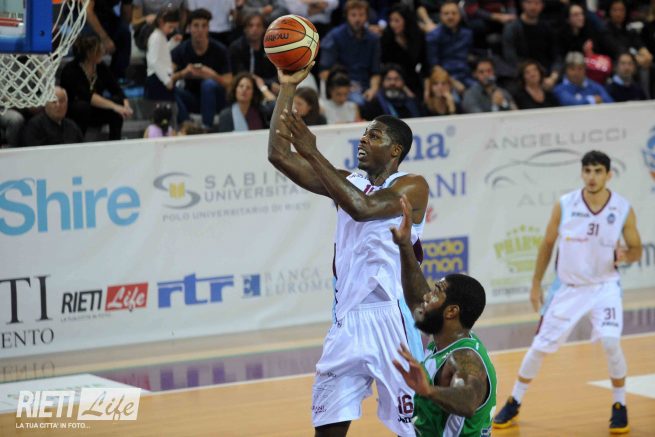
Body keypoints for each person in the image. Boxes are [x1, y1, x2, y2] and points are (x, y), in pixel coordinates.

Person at [268, 61, 430, 436]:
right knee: (327, 428)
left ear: (395, 150)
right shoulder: (347, 181)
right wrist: (288, 87)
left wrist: (312, 152)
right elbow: (279, 155)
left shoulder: (412, 185)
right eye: (364, 134)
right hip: (346, 322)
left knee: (415, 431)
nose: (363, 140)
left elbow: (363, 208)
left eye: (374, 136)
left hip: (392, 318)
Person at [493, 150, 643, 434]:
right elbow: (548, 244)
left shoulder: (623, 208)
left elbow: (637, 249)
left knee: (611, 343)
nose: (592, 177)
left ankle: (620, 405)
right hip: (568, 289)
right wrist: (536, 283)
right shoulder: (565, 204)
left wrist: (628, 254)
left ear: (609, 175)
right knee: (538, 348)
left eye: (598, 171)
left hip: (605, 288)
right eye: (587, 170)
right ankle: (514, 400)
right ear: (582, 173)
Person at [390, 195, 496, 437]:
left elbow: (468, 398)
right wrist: (405, 245)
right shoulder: (445, 340)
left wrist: (429, 390)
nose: (427, 296)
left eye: (436, 292)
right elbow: (417, 298)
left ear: (451, 311)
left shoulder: (464, 357)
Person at [61, 35, 133, 140]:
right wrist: (115, 107)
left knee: (118, 102)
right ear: (88, 53)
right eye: (99, 49)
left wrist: (125, 105)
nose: (103, 51)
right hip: (74, 111)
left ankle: (115, 141)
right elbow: (87, 96)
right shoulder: (71, 70)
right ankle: (78, 141)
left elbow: (115, 88)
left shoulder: (100, 66)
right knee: (83, 107)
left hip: (94, 110)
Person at [172, 8, 233, 129]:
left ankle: (206, 127)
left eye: (204, 26)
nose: (200, 30)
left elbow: (230, 82)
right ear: (189, 28)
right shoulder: (181, 49)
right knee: (170, 90)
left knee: (208, 84)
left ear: (208, 28)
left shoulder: (220, 50)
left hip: (217, 99)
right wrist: (183, 73)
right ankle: (187, 125)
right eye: (196, 26)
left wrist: (212, 75)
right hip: (193, 99)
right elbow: (167, 79)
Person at [319, 0, 382, 106]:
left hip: (366, 85)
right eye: (353, 15)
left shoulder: (373, 39)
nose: (358, 19)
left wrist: (373, 89)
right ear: (347, 16)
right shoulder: (335, 36)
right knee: (360, 102)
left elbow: (376, 72)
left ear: (367, 16)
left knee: (383, 101)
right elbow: (324, 72)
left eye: (361, 15)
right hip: (343, 86)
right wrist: (344, 86)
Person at [502, 0, 561, 88]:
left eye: (537, 3)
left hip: (546, 76)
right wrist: (532, 77)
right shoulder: (512, 28)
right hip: (522, 77)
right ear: (522, 4)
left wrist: (553, 77)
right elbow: (511, 58)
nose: (533, 7)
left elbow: (556, 55)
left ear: (542, 6)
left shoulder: (547, 28)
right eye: (529, 2)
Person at [425, 0, 474, 92]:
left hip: (466, 75)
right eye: (446, 14)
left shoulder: (467, 34)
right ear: (440, 16)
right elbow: (435, 67)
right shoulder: (433, 36)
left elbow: (470, 56)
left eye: (454, 13)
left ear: (460, 15)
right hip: (445, 79)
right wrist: (453, 82)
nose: (450, 17)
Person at [380, 4, 424, 96]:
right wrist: (404, 88)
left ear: (406, 21)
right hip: (393, 80)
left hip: (413, 78)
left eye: (397, 21)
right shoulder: (386, 38)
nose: (393, 24)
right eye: (391, 20)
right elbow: (386, 65)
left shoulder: (418, 37)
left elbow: (424, 64)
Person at [86, 0, 133, 79]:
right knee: (90, 38)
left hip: (105, 13)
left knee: (124, 33)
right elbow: (88, 11)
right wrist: (105, 39)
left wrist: (118, 38)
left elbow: (126, 13)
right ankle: (88, 78)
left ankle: (118, 77)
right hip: (83, 15)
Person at [144, 8, 182, 102]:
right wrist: (166, 80)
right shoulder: (157, 37)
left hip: (160, 77)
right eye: (170, 27)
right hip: (157, 78)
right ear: (161, 22)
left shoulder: (160, 36)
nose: (171, 31)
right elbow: (155, 61)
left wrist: (172, 42)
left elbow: (162, 51)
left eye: (174, 28)